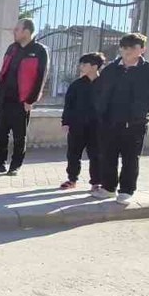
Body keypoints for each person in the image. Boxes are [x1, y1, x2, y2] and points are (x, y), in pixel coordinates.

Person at [93, 33, 149, 204]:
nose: (127, 51)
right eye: (124, 47)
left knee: (130, 158)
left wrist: (143, 108)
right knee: (108, 156)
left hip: (135, 123)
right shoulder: (111, 69)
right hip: (109, 121)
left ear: (142, 49)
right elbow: (98, 91)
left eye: (132, 48)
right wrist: (100, 110)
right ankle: (108, 188)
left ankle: (126, 191)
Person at [0, 18, 48, 176]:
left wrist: (31, 100)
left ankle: (15, 165)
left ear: (26, 32)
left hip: (22, 101)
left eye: (17, 29)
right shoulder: (12, 48)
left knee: (20, 136)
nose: (14, 31)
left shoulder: (40, 51)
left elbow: (41, 77)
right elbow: (4, 71)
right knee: (0, 132)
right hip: (4, 99)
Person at [59, 52, 106, 191]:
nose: (81, 66)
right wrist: (65, 122)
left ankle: (96, 182)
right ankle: (72, 179)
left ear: (94, 66)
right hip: (77, 125)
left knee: (96, 154)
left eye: (84, 64)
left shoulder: (105, 84)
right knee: (73, 153)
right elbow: (69, 104)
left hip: (97, 126)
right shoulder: (77, 85)